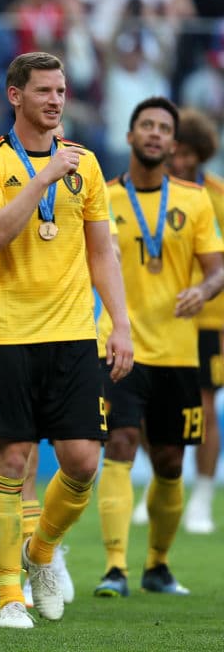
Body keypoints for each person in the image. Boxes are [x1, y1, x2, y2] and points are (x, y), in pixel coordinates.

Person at [0, 51, 134, 629]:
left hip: (73, 334)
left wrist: (122, 324)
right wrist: (41, 176)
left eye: (61, 90)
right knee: (11, 461)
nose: (56, 100)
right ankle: (10, 595)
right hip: (10, 336)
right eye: (43, 91)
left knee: (84, 461)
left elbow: (101, 251)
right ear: (16, 96)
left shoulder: (84, 165)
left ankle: (40, 555)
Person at [92, 97, 224, 599]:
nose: (153, 134)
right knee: (121, 445)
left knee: (170, 460)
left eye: (162, 128)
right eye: (145, 125)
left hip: (177, 351)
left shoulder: (194, 200)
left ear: (173, 143)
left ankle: (157, 565)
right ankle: (114, 568)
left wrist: (205, 290)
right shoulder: (101, 198)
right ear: (129, 137)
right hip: (119, 345)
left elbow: (217, 268)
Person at [171, 106, 224, 535]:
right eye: (177, 151)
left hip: (209, 321)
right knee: (158, 410)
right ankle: (162, 485)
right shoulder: (154, 194)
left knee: (205, 408)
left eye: (190, 153)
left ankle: (202, 498)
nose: (182, 160)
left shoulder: (218, 197)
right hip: (162, 318)